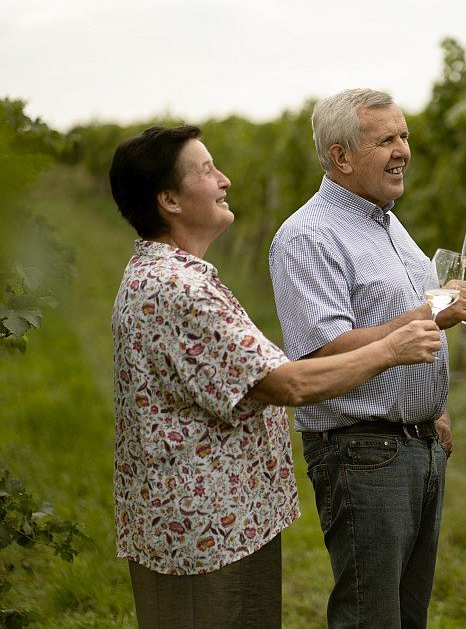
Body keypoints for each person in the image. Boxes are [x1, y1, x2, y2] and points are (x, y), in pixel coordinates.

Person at [109, 125, 442, 628]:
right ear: (169, 199)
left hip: (209, 519)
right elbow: (287, 383)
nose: (224, 179)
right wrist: (392, 349)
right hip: (207, 527)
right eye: (205, 171)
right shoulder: (181, 290)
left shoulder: (167, 276)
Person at [268, 88, 466, 628]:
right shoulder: (309, 235)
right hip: (361, 452)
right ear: (341, 156)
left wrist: (432, 404)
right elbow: (321, 351)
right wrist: (432, 317)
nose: (403, 150)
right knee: (371, 617)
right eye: (386, 139)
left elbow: (411, 321)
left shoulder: (387, 224)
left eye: (404, 136)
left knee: (408, 616)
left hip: (416, 445)